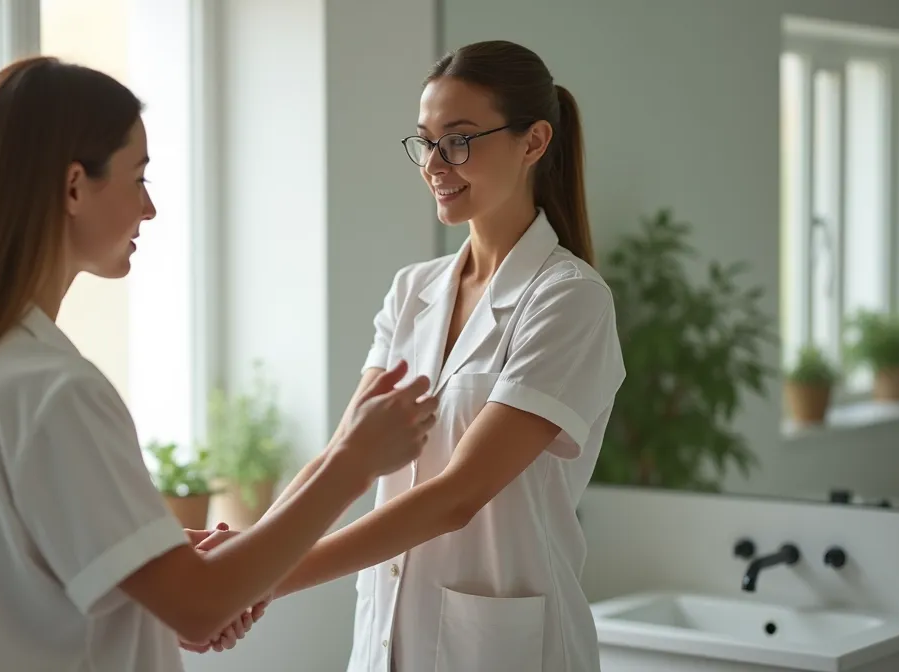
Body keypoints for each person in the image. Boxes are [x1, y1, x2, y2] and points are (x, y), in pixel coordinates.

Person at [0, 56, 440, 672]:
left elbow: (23, 566)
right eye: (138, 177)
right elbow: (198, 608)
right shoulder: (54, 391)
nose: (148, 209)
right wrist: (354, 463)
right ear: (74, 187)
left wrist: (155, 552)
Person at [198, 40, 626, 671]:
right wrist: (249, 553)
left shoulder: (570, 300)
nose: (434, 164)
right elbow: (341, 455)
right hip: (385, 640)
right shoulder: (413, 291)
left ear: (534, 142)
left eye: (459, 140)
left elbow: (458, 495)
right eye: (425, 141)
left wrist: (257, 578)